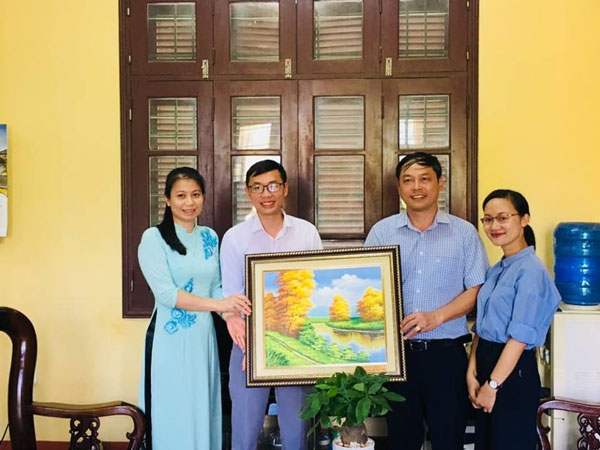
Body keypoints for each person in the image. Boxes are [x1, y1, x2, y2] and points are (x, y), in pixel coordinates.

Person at [364, 152, 489, 450]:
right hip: (397, 359)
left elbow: (477, 289)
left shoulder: (463, 233)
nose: (416, 187)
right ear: (399, 186)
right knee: (401, 440)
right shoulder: (382, 232)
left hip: (446, 356)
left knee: (448, 438)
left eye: (424, 179)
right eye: (408, 180)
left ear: (440, 183)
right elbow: (367, 287)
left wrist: (436, 317)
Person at [137, 167, 251, 450]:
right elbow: (167, 294)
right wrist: (219, 304)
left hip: (203, 339)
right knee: (172, 410)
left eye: (196, 194)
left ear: (203, 197)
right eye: (181, 196)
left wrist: (230, 315)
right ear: (167, 200)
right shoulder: (153, 238)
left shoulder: (209, 237)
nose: (189, 202)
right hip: (169, 340)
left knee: (202, 408)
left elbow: (216, 287)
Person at [220, 159, 322, 450]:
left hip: (295, 342)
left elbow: (315, 292)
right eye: (258, 187)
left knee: (297, 429)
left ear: (285, 189)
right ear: (248, 192)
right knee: (245, 428)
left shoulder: (306, 233)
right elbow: (232, 297)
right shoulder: (235, 238)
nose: (266, 194)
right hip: (247, 342)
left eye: (273, 186)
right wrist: (250, 342)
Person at [467, 189, 560, 449]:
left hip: (512, 373)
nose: (494, 226)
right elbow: (482, 328)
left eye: (503, 218)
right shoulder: (497, 269)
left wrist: (493, 385)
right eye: (488, 219)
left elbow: (519, 338)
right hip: (487, 366)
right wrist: (472, 372)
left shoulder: (531, 271)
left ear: (524, 219)